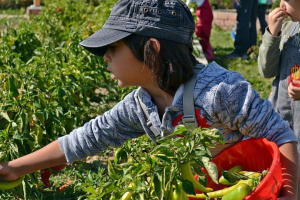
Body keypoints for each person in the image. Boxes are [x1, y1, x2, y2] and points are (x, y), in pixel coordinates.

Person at [0, 0, 299, 198]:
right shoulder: (140, 106)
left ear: (151, 51)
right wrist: (15, 168)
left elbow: (280, 134)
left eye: (113, 48)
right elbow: (86, 138)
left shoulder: (220, 91)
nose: (105, 57)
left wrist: (288, 194)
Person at [257, 0, 300, 198]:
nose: (281, 4)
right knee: (281, 170)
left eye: (288, 0)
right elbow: (266, 71)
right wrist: (272, 35)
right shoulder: (290, 27)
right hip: (280, 118)